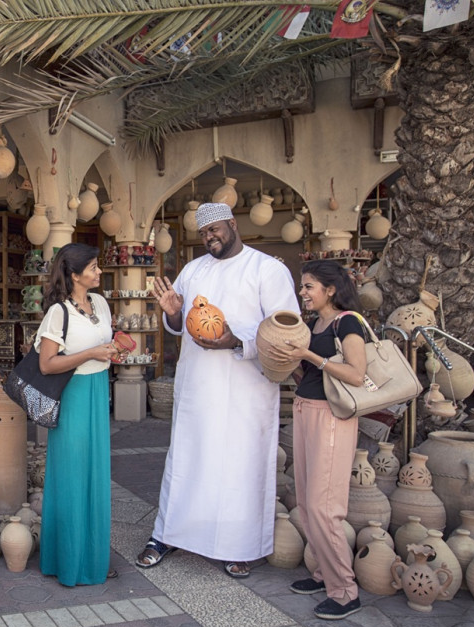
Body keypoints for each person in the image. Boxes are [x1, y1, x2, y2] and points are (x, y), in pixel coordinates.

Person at [135, 202, 298, 578]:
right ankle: (169, 534)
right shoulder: (193, 270)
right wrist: (173, 311)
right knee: (189, 461)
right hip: (198, 389)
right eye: (204, 232)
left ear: (232, 225)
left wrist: (236, 342)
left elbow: (286, 332)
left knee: (241, 466)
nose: (210, 237)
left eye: (215, 230)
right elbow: (176, 322)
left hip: (247, 390)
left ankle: (241, 546)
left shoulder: (267, 270)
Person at [269, 259, 368, 620]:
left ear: (330, 289)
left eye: (309, 286)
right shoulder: (315, 323)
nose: (302, 292)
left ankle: (345, 591)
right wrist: (291, 359)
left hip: (332, 417)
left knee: (326, 506)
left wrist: (310, 355)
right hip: (306, 410)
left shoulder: (348, 322)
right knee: (309, 503)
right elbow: (308, 371)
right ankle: (325, 575)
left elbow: (357, 374)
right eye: (302, 285)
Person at [36, 243, 118, 586]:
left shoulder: (100, 303)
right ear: (74, 274)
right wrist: (90, 354)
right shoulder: (59, 312)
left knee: (96, 475)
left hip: (98, 391)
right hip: (73, 396)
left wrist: (111, 354)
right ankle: (68, 562)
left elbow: (103, 347)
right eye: (94, 268)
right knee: (71, 476)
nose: (99, 272)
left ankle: (94, 559)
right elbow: (47, 363)